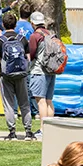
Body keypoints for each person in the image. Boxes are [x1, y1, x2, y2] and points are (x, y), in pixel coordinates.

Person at [0, 11, 34, 141]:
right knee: (24, 103)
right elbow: (28, 59)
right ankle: (28, 132)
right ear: (15, 25)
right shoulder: (22, 39)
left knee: (9, 104)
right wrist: (26, 72)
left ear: (3, 25)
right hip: (21, 75)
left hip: (6, 76)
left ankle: (12, 132)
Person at [28, 11, 56, 140]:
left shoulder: (35, 36)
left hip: (39, 71)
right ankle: (50, 129)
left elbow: (31, 54)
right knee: (49, 100)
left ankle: (43, 130)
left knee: (41, 101)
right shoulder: (50, 34)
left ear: (32, 23)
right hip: (51, 70)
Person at [13, 4, 38, 119]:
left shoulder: (15, 25)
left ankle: (14, 111)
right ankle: (33, 111)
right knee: (29, 86)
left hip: (14, 59)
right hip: (27, 59)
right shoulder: (32, 28)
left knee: (13, 86)